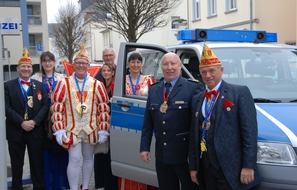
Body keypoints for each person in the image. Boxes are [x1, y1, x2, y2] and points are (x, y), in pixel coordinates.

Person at [188, 43, 261, 190]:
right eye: (204, 72)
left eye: (212, 71)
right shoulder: (197, 98)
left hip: (231, 169)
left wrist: (248, 166)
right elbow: (194, 136)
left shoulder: (239, 93)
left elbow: (250, 133)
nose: (208, 76)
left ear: (221, 70)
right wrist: (194, 167)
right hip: (206, 167)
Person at [140, 52, 203, 190]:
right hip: (162, 154)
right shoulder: (154, 89)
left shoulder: (192, 88)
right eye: (165, 64)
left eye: (173, 64)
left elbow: (196, 125)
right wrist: (144, 147)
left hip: (184, 156)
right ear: (161, 67)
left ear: (180, 65)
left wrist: (195, 156)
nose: (169, 67)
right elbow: (148, 122)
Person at [51, 44, 110, 190]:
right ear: (73, 65)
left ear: (88, 66)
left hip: (91, 127)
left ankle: (85, 187)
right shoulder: (64, 83)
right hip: (72, 128)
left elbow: (103, 107)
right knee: (75, 158)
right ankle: (73, 188)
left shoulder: (97, 84)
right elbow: (58, 107)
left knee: (89, 158)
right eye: (78, 63)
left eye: (84, 63)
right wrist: (59, 129)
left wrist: (103, 129)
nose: (81, 66)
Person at [5, 48, 49, 190]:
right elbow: (6, 108)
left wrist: (34, 121)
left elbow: (45, 106)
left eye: (28, 66)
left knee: (37, 164)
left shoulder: (40, 86)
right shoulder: (7, 86)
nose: (26, 69)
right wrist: (21, 122)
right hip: (15, 131)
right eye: (23, 66)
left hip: (35, 131)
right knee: (17, 165)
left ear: (32, 69)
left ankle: (39, 188)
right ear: (18, 68)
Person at [31, 51, 69, 190]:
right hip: (43, 121)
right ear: (41, 63)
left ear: (54, 62)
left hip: (60, 119)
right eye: (45, 61)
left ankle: (62, 184)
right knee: (46, 155)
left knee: (61, 151)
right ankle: (49, 184)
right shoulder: (35, 78)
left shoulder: (62, 77)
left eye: (50, 60)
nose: (48, 63)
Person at [93, 63, 118, 190]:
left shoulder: (116, 86)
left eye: (109, 70)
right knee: (99, 153)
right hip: (100, 123)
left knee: (110, 155)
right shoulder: (98, 85)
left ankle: (110, 185)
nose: (106, 72)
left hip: (112, 123)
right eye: (104, 70)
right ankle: (100, 183)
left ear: (113, 72)